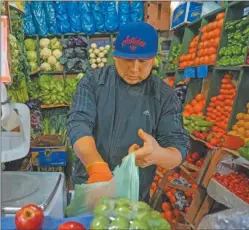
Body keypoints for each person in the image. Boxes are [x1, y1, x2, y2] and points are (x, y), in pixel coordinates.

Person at [67, 22, 189, 202]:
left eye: (143, 61)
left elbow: (178, 147)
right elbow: (78, 124)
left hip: (134, 194)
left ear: (154, 59)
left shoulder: (165, 96)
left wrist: (157, 155)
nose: (135, 69)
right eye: (128, 60)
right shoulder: (92, 83)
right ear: (115, 56)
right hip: (90, 184)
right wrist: (96, 167)